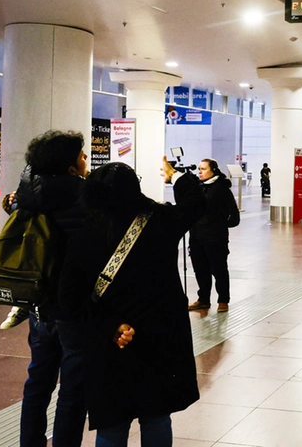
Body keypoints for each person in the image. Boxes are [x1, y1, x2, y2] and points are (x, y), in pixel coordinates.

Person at [58, 157, 207, 447]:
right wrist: (176, 175)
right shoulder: (162, 221)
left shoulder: (85, 233)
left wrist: (110, 327)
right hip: (160, 335)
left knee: (112, 422)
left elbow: (69, 297)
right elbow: (196, 203)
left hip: (112, 340)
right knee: (157, 415)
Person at [12, 130, 91, 447]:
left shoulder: (28, 195)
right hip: (71, 307)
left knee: (38, 382)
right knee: (73, 389)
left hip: (38, 304)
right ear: (70, 165)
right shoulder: (81, 196)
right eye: (82, 155)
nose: (86, 160)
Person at [188, 159, 233, 314]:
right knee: (200, 270)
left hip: (215, 239)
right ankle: (203, 300)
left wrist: (218, 225)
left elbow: (234, 216)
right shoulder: (198, 188)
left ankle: (223, 300)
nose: (200, 171)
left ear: (213, 170)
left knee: (219, 270)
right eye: (199, 169)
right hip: (196, 237)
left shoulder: (222, 189)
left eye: (203, 169)